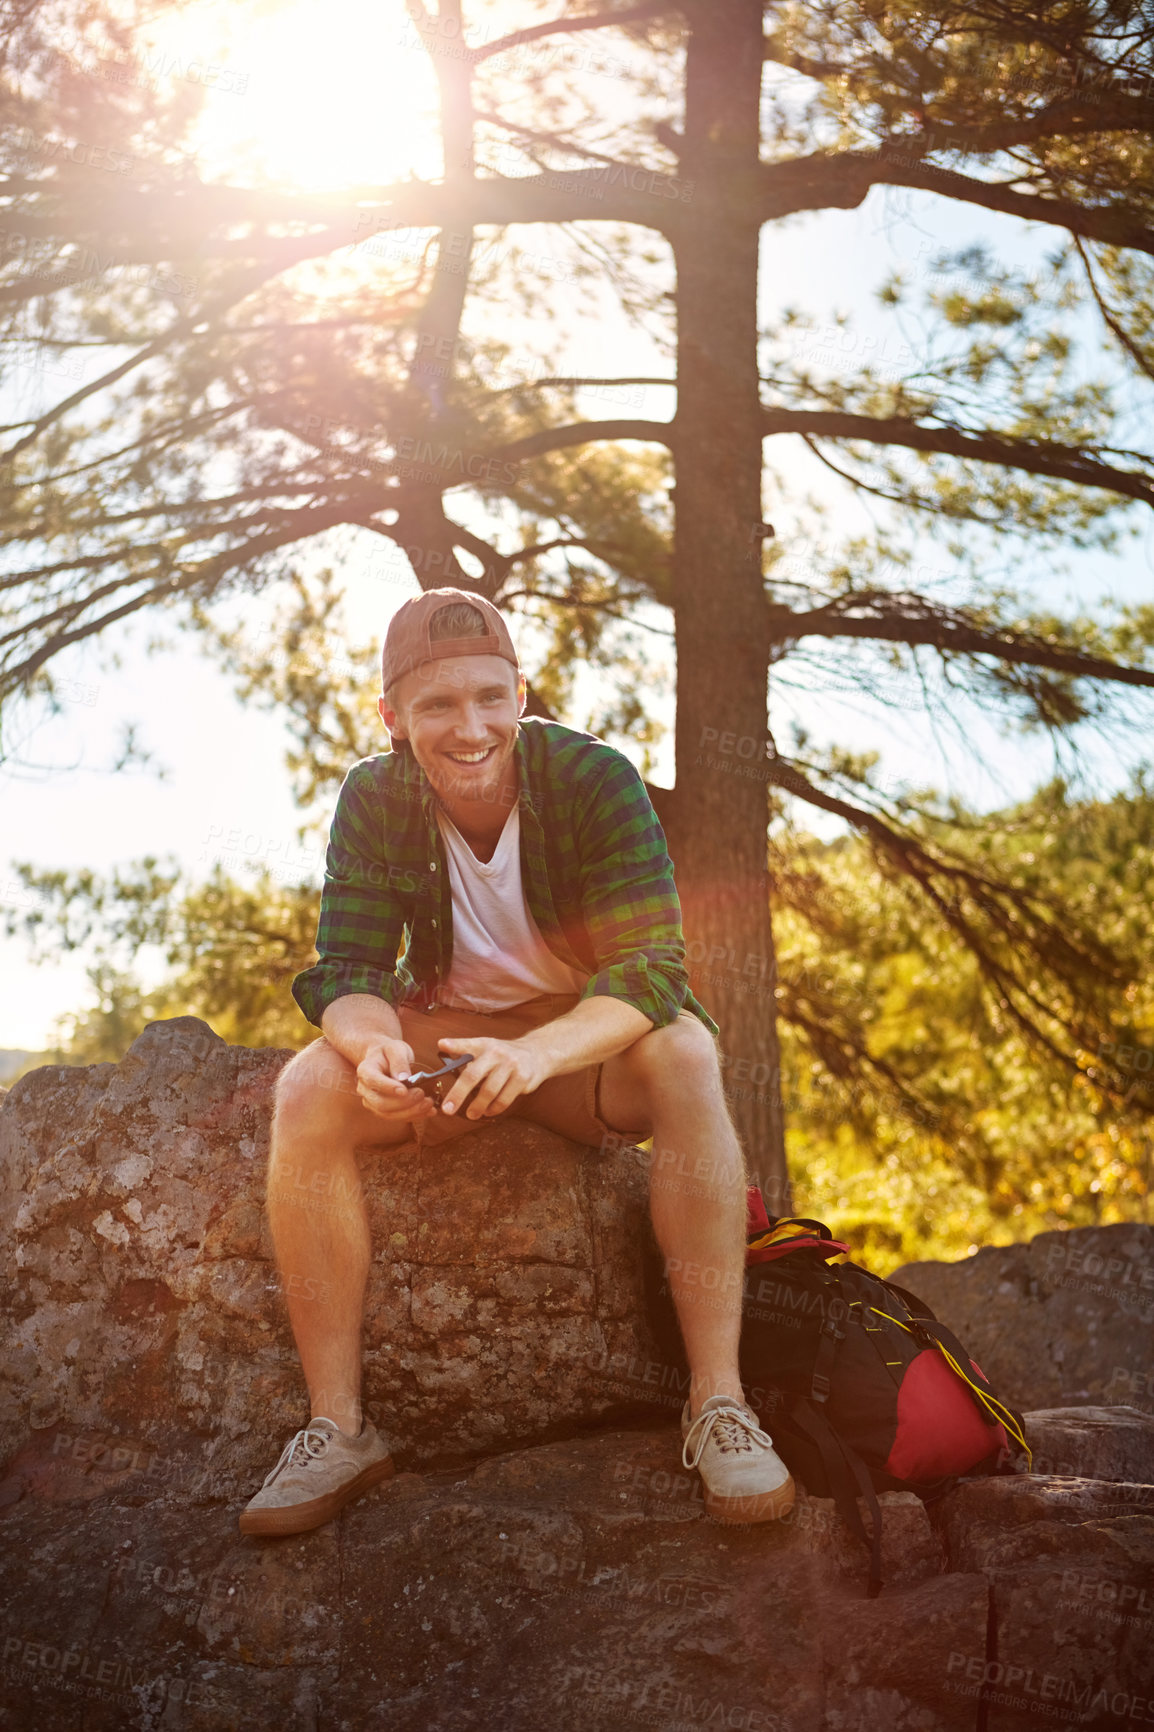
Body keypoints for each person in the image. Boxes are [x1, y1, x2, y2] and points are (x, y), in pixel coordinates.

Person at [239, 587, 795, 1537]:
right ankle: (338, 1427)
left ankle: (718, 1404)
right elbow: (352, 972)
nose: (471, 727)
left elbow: (652, 971)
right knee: (309, 1085)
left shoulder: (592, 778)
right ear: (391, 716)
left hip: (573, 1054)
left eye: (492, 698)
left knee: (688, 1051)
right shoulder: (375, 797)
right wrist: (371, 1046)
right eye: (439, 706)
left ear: (522, 694)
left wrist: (534, 1057)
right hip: (448, 1054)